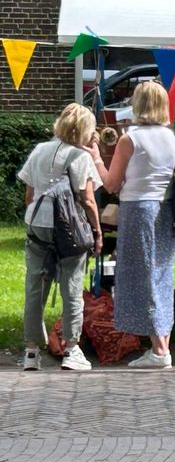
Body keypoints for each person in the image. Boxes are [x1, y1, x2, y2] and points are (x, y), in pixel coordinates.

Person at [86, 81, 175, 369]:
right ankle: (162, 343)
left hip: (138, 208)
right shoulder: (171, 136)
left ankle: (159, 349)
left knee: (142, 275)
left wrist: (96, 158)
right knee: (161, 273)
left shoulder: (130, 139)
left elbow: (111, 183)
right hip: (165, 207)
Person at [19, 103, 103, 372]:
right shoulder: (81, 157)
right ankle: (71, 349)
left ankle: (31, 351)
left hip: (37, 223)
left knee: (35, 285)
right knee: (72, 286)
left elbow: (29, 195)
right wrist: (97, 231)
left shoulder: (39, 150)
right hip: (70, 228)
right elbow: (88, 200)